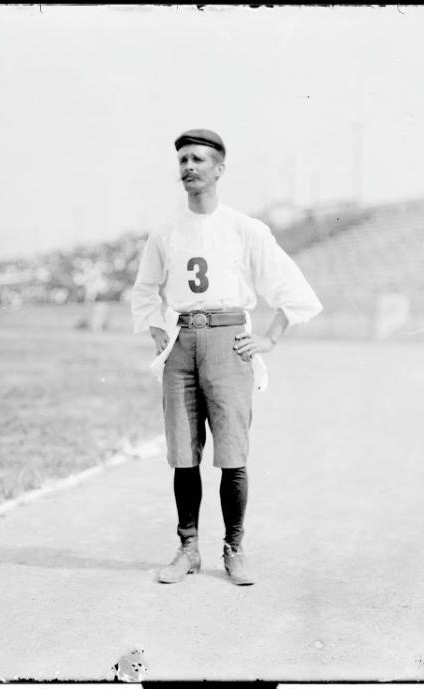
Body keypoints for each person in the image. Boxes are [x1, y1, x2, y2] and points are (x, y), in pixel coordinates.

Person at [130, 129, 322, 586]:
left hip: (228, 339)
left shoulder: (245, 229)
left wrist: (270, 339)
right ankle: (188, 548)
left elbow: (293, 291)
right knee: (183, 454)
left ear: (219, 169)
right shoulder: (165, 233)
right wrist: (158, 330)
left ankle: (234, 548)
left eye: (198, 159)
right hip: (182, 344)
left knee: (232, 454)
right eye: (182, 161)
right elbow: (144, 291)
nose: (189, 168)